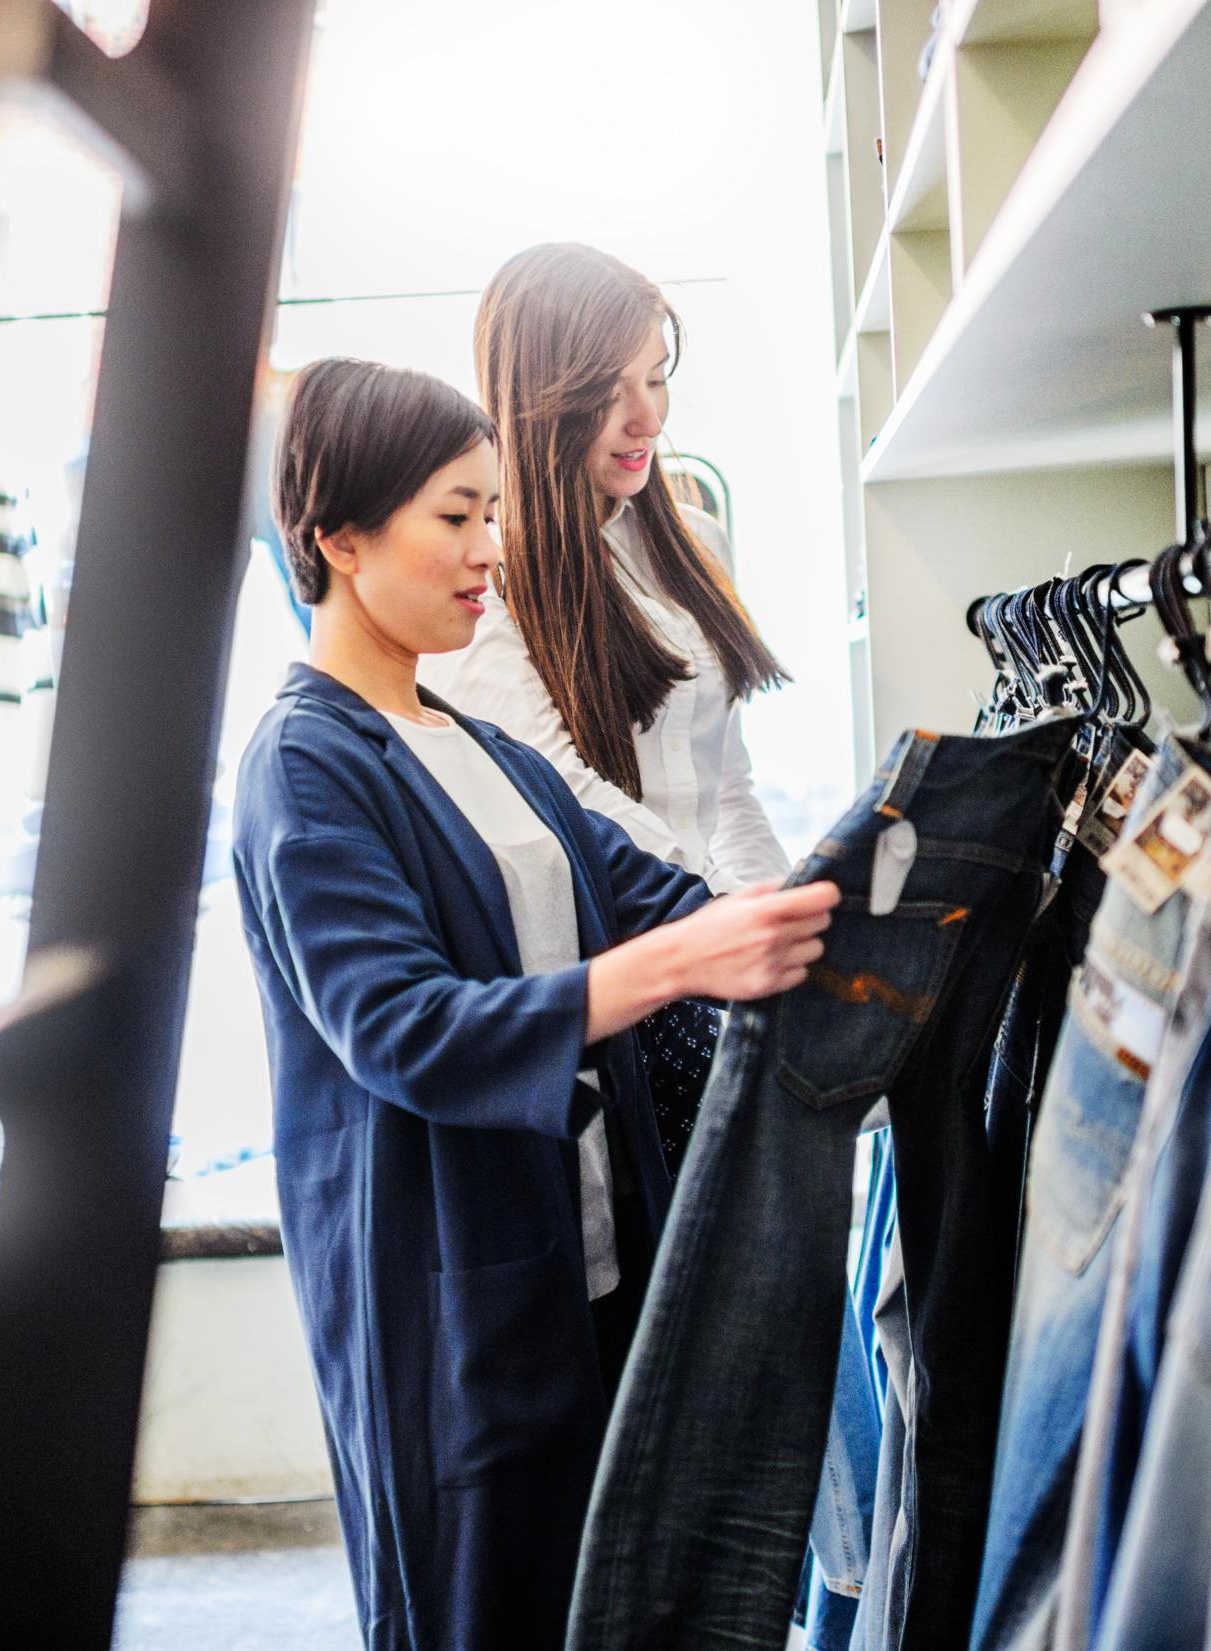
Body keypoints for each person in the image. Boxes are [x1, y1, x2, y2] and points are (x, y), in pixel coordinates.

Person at [231, 357, 838, 1651]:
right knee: (478, 1604)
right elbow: (403, 1026)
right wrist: (683, 964)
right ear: (339, 534)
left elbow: (656, 895)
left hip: (584, 1259)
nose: (489, 549)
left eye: (492, 514)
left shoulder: (485, 747)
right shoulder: (306, 763)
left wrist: (839, 907)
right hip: (442, 1290)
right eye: (457, 515)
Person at [421, 242, 791, 894]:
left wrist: (784, 923)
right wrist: (733, 913)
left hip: (719, 945)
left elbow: (728, 787)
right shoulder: (482, 572)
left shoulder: (699, 544)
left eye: (656, 378)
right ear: (539, 400)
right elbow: (564, 796)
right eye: (609, 393)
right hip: (616, 959)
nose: (648, 419)